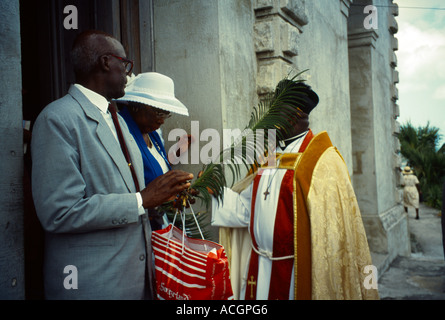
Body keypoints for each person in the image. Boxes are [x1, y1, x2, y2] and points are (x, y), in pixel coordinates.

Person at [31, 30, 193, 300]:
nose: (129, 75)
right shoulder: (57, 119)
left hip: (138, 279)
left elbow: (131, 189)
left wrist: (165, 195)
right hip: (94, 284)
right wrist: (142, 199)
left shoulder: (116, 117)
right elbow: (59, 212)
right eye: (125, 65)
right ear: (106, 62)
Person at [211, 79, 379, 300]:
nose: (270, 117)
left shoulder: (323, 161)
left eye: (277, 111)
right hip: (258, 269)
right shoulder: (269, 155)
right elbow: (247, 208)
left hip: (295, 274)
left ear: (296, 115)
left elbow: (331, 236)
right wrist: (212, 193)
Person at [114, 72, 190, 230]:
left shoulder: (154, 135)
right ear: (136, 105)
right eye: (158, 112)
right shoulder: (120, 133)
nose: (162, 120)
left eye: (166, 113)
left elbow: (158, 170)